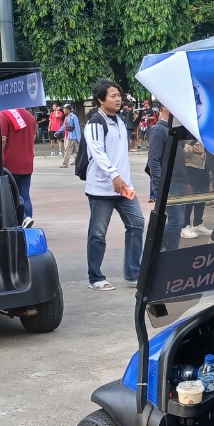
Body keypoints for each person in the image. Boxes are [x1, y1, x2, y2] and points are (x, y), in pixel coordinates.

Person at [84, 79, 144, 290]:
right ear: (100, 100)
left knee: (137, 224)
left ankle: (133, 274)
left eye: (119, 95)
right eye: (113, 96)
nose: (118, 99)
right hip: (102, 188)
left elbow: (121, 157)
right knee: (98, 233)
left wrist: (124, 180)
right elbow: (97, 153)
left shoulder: (118, 120)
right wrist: (113, 176)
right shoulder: (95, 123)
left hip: (123, 187)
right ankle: (96, 277)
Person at [145, 104, 190, 249]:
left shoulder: (173, 129)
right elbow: (153, 161)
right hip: (170, 184)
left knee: (177, 222)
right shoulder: (159, 129)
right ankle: (155, 250)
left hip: (178, 182)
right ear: (164, 107)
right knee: (177, 221)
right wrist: (161, 186)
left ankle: (171, 253)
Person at [0, 107, 36, 218]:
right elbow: (33, 138)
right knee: (25, 195)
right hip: (27, 162)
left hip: (10, 164)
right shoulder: (30, 116)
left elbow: (2, 140)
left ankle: (22, 219)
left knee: (10, 196)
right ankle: (28, 218)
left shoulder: (5, 115)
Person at [183, 139, 213, 236]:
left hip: (204, 167)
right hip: (190, 166)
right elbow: (179, 145)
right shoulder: (188, 127)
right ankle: (184, 226)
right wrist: (191, 149)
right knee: (190, 197)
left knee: (202, 195)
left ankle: (197, 224)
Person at [59, 103, 81, 168]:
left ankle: (65, 163)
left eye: (64, 109)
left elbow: (77, 127)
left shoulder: (74, 117)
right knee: (76, 151)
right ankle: (80, 161)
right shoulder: (66, 117)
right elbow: (64, 126)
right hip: (67, 136)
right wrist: (58, 132)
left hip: (72, 137)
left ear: (68, 110)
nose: (63, 110)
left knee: (67, 150)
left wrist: (79, 138)